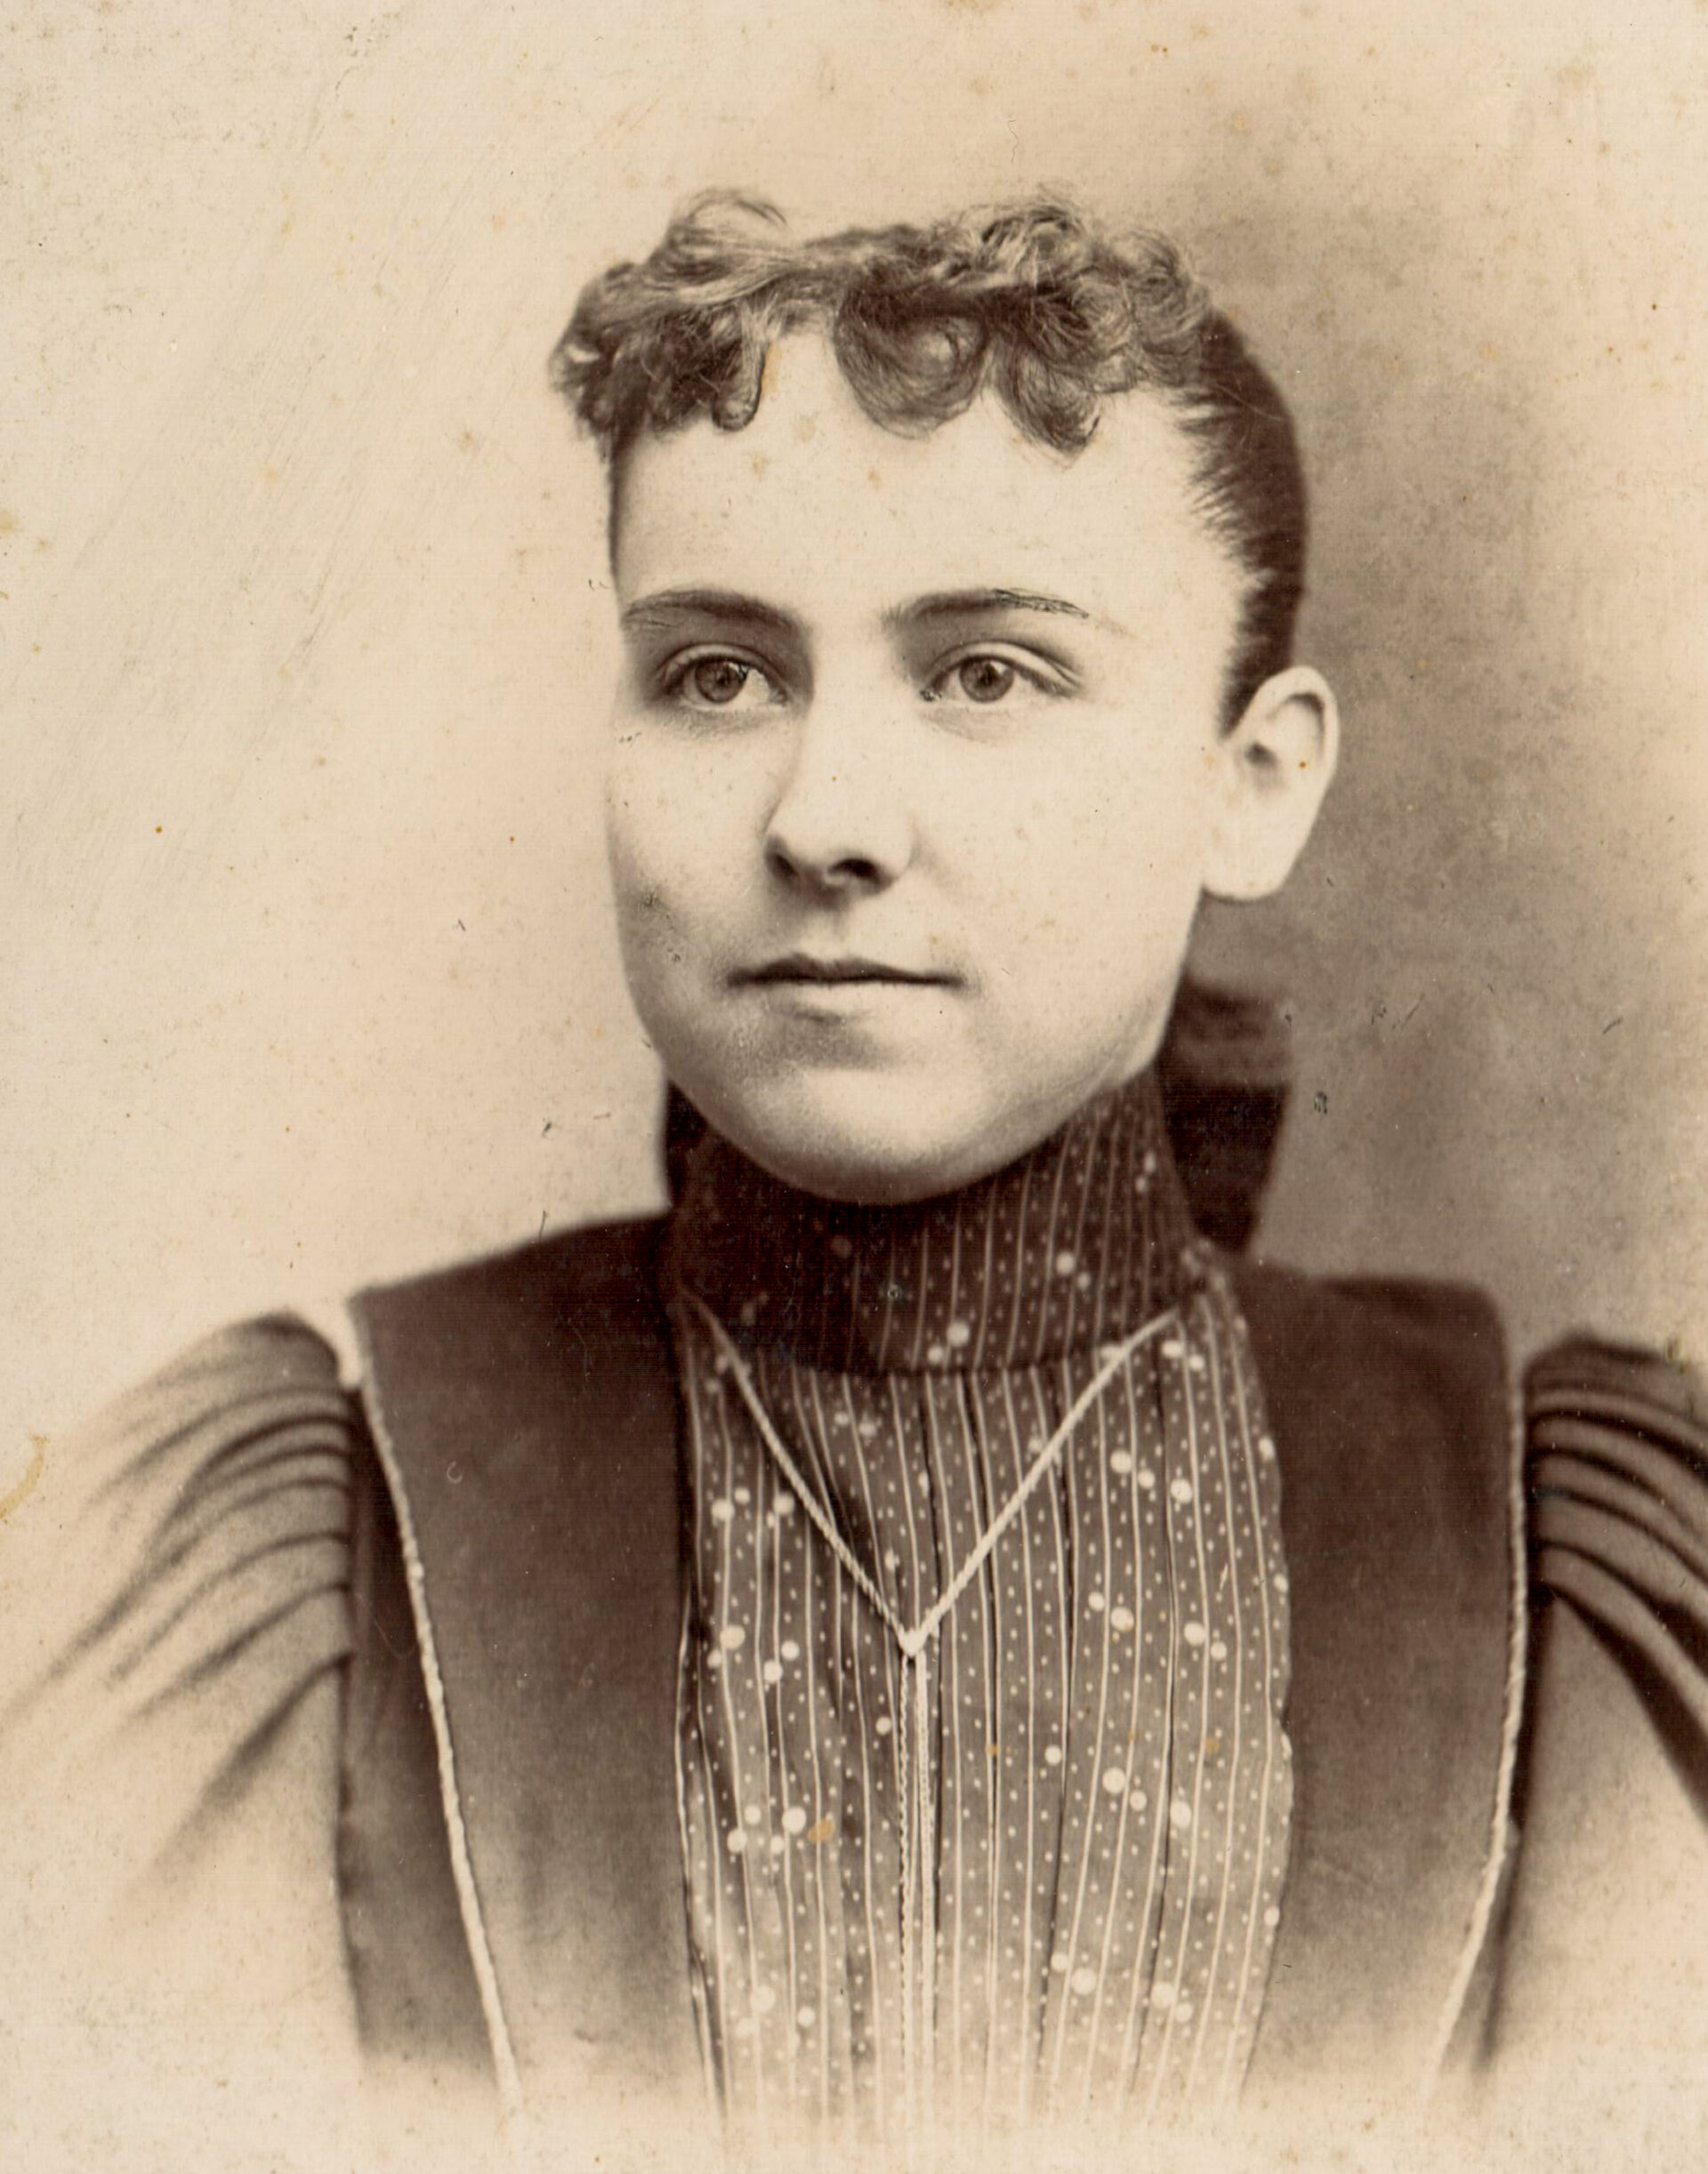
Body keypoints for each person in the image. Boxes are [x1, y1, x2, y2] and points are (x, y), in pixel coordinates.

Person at [4, 192, 1705, 2174]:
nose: (823, 820)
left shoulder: (1569, 1570)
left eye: (989, 675)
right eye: (719, 674)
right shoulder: (293, 1550)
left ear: (1254, 779)